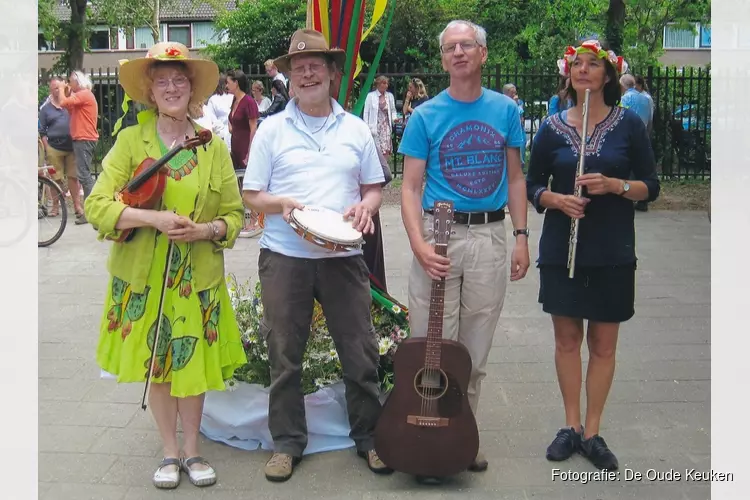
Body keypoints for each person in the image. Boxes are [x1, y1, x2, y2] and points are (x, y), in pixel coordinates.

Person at [83, 41, 248, 490]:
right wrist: (151, 217)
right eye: (162, 81)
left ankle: (193, 450)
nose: (172, 87)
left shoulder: (211, 146)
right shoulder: (130, 141)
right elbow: (96, 206)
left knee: (190, 364)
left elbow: (235, 216)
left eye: (179, 80)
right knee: (158, 364)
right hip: (146, 277)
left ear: (191, 89)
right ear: (150, 91)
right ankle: (169, 452)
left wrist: (206, 231)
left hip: (195, 276)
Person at [242, 28, 391, 483]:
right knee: (284, 353)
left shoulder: (355, 128)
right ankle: (287, 443)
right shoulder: (271, 129)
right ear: (289, 77)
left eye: (314, 66)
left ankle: (370, 438)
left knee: (360, 350)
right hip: (285, 256)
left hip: (344, 256)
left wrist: (367, 205)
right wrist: (281, 204)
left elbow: (373, 186)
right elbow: (252, 195)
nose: (306, 74)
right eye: (298, 67)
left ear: (331, 72)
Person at [399, 19, 530, 475]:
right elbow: (411, 188)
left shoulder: (505, 111)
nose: (458, 52)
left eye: (466, 45)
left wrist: (520, 236)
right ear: (443, 59)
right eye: (450, 47)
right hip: (439, 236)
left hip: (489, 237)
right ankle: (426, 432)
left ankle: (462, 434)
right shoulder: (425, 116)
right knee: (430, 342)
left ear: (482, 54)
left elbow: (516, 177)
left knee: (473, 349)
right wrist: (417, 244)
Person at [526, 40, 660, 471]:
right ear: (569, 74)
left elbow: (650, 186)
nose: (583, 70)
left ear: (607, 74)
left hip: (611, 248)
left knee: (603, 344)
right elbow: (531, 187)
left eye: (592, 65)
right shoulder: (551, 128)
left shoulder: (629, 125)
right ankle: (569, 426)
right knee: (567, 342)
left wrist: (616, 186)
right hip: (561, 249)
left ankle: (592, 429)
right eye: (576, 64)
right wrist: (556, 200)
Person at [54, 69, 99, 225]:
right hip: (82, 139)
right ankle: (91, 210)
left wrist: (60, 89)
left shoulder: (84, 94)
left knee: (85, 176)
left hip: (84, 139)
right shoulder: (82, 96)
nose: (68, 83)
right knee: (83, 175)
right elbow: (69, 107)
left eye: (70, 81)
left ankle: (91, 211)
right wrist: (65, 92)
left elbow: (62, 103)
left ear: (77, 82)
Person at [362, 75, 397, 161]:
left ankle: (385, 169)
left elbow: (393, 110)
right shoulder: (371, 96)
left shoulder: (390, 96)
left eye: (387, 84)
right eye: (384, 83)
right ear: (378, 84)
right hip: (375, 127)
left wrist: (394, 118)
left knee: (386, 150)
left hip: (386, 128)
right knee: (376, 150)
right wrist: (366, 127)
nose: (386, 86)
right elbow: (366, 112)